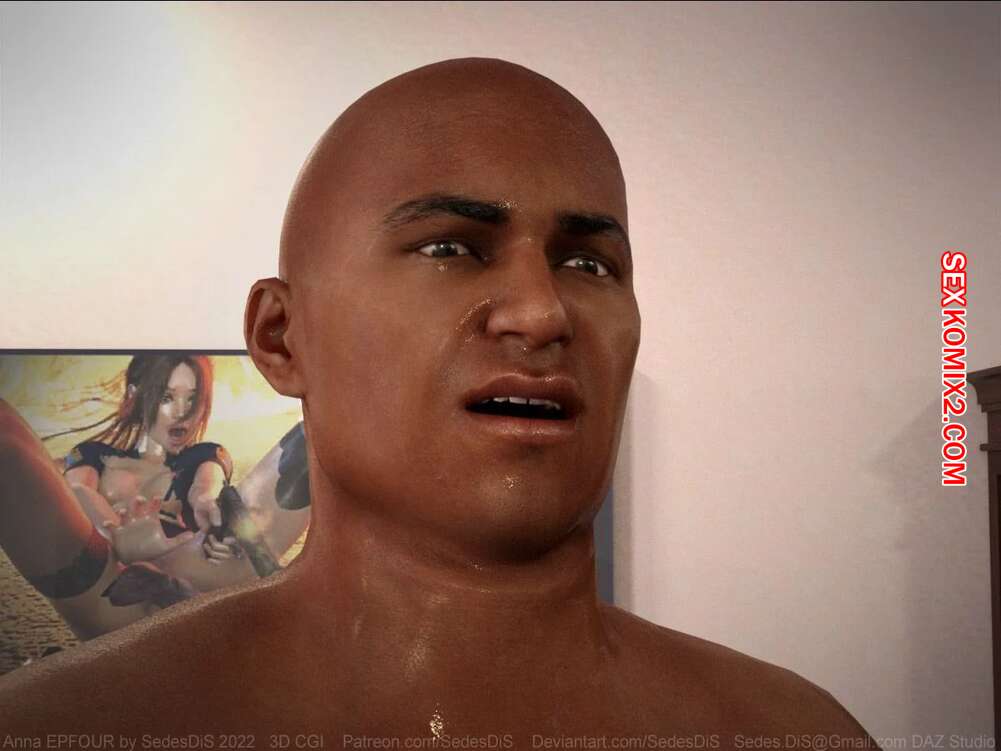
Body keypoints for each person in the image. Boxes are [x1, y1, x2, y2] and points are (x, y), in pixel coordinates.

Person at [0, 58, 875, 744]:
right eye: (450, 247)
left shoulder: (788, 732)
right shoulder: (64, 728)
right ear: (281, 336)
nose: (542, 312)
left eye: (587, 263)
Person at [0, 355, 263, 640]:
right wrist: (114, 532)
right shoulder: (91, 453)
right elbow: (78, 491)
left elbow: (207, 484)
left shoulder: (204, 454)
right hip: (108, 588)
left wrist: (211, 508)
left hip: (181, 588)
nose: (182, 412)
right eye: (167, 397)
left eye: (193, 399)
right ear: (134, 395)